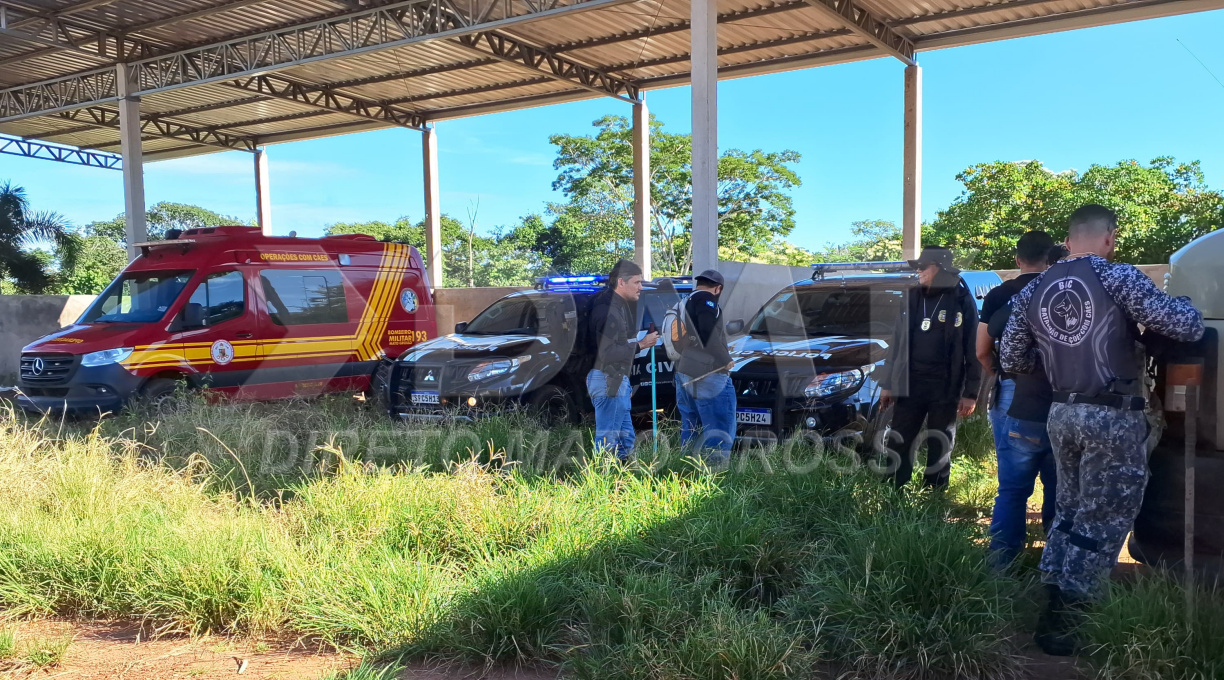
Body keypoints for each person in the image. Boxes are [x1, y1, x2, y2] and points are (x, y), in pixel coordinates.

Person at [1000, 204, 1205, 656]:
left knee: (1070, 508)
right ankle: (1069, 616)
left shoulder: (1031, 288)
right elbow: (1184, 326)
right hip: (1112, 414)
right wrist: (1185, 306)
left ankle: (1053, 591)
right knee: (1105, 515)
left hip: (1061, 413)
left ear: (1068, 241)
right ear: (1109, 238)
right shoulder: (1115, 274)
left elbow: (1012, 359)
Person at [976, 231, 1059, 568]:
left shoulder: (1000, 294)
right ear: (1052, 257)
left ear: (1017, 259)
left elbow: (981, 349)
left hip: (1012, 390)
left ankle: (1002, 563)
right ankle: (1055, 558)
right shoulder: (1063, 289)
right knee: (1058, 482)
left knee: (1012, 486)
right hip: (1061, 394)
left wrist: (999, 371)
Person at [878, 245, 982, 488]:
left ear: (939, 268)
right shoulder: (912, 296)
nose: (919, 272)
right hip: (910, 382)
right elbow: (897, 343)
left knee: (941, 441)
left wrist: (971, 392)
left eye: (924, 267)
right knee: (899, 439)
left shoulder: (961, 298)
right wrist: (887, 384)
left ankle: (934, 494)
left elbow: (972, 347)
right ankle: (894, 489)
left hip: (946, 385)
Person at [587, 259, 658, 460]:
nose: (641, 287)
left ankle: (623, 485)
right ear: (621, 282)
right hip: (609, 380)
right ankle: (600, 484)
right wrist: (641, 344)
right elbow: (607, 353)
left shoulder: (613, 306)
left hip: (615, 381)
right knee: (607, 444)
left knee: (626, 444)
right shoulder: (607, 309)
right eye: (637, 282)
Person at [673, 269, 736, 465]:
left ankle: (686, 471)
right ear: (718, 289)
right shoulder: (707, 301)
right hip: (709, 374)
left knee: (691, 427)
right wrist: (726, 359)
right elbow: (707, 332)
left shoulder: (683, 302)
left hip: (684, 371)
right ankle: (713, 477)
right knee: (719, 428)